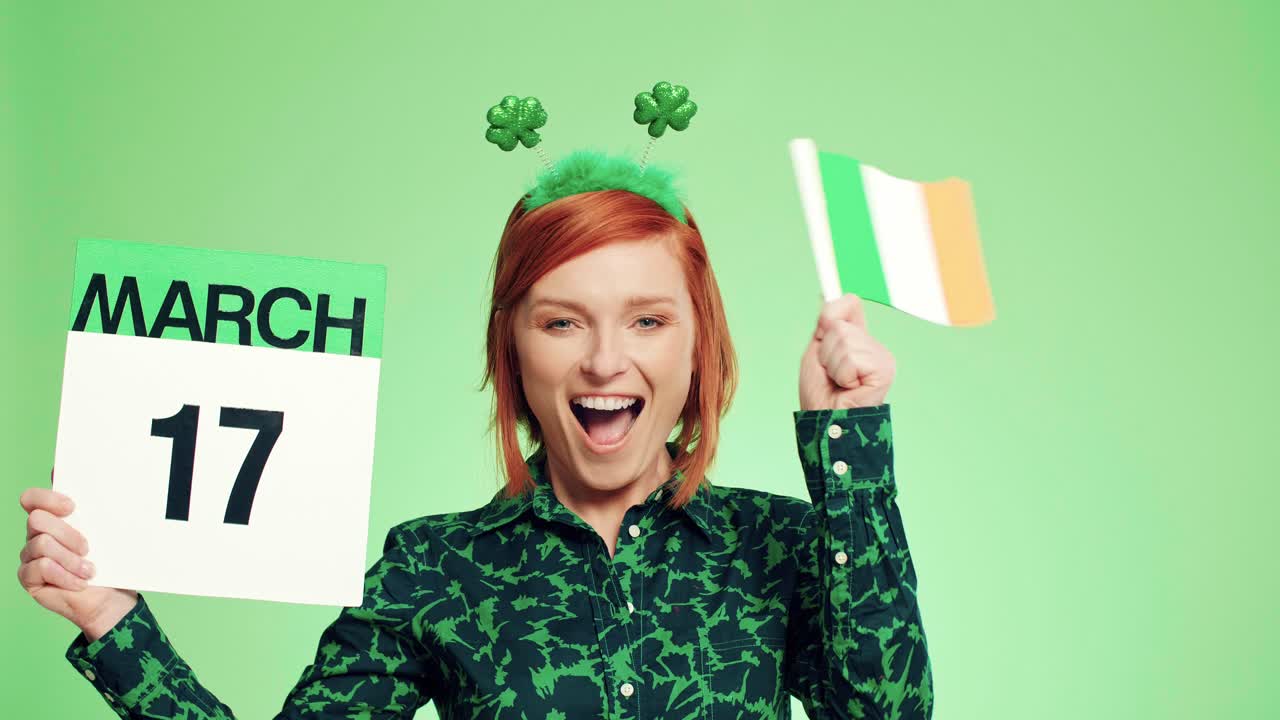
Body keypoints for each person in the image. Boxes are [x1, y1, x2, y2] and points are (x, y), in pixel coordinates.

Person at [18, 135, 933, 718]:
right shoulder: (432, 570)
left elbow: (889, 713)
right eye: (562, 320)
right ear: (514, 350)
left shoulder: (779, 544)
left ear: (699, 345)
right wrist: (112, 621)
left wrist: (848, 449)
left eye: (648, 320)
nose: (606, 361)